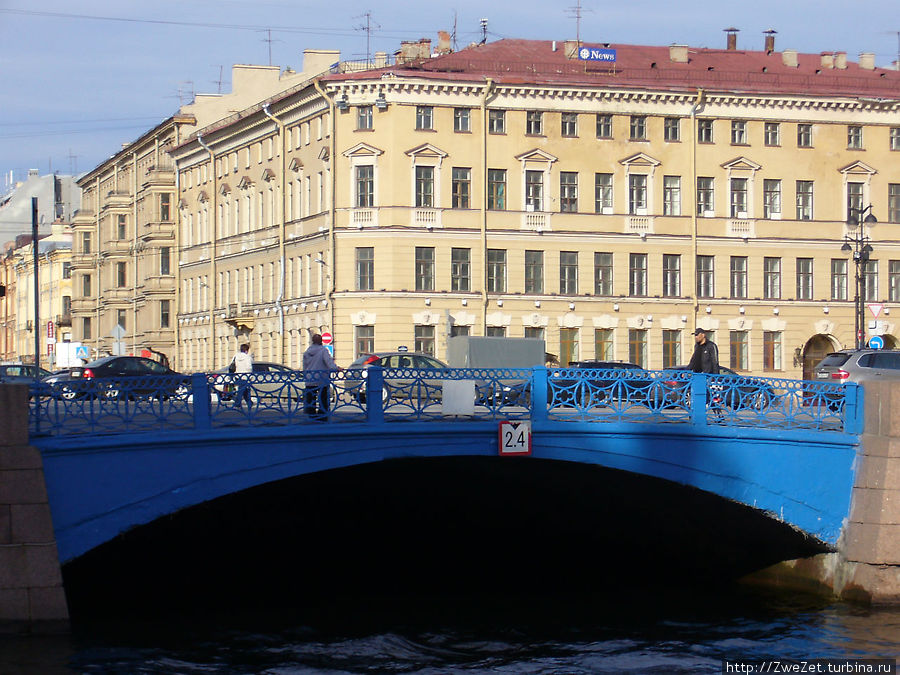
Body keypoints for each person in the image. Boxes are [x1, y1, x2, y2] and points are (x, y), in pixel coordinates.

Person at [303, 333, 340, 419]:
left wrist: (306, 375)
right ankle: (323, 415)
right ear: (321, 341)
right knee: (323, 398)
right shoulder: (323, 351)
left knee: (311, 398)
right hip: (321, 378)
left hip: (310, 378)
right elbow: (329, 363)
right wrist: (337, 368)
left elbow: (304, 366)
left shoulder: (307, 352)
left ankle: (311, 415)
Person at [231, 343, 253, 408]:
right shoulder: (247, 357)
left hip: (237, 375)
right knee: (241, 390)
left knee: (244, 390)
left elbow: (232, 365)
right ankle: (237, 403)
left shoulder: (236, 356)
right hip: (245, 376)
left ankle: (249, 403)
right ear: (246, 350)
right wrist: (250, 376)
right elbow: (249, 367)